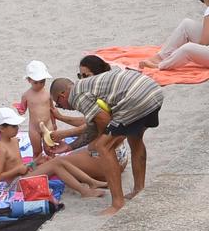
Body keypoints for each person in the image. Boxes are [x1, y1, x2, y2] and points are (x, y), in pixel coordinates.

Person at [51, 56, 167, 212]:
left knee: (103, 147)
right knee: (135, 138)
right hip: (152, 90)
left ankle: (117, 203)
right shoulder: (87, 86)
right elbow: (94, 127)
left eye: (59, 104)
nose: (63, 107)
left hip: (137, 97)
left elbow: (105, 122)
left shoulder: (76, 95)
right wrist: (69, 147)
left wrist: (98, 144)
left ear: (63, 95)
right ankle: (139, 189)